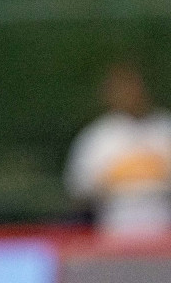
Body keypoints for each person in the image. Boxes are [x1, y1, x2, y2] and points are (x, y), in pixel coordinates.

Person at [67, 61, 171, 236]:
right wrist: (117, 176)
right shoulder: (98, 136)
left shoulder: (164, 128)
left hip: (163, 226)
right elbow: (78, 187)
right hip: (114, 229)